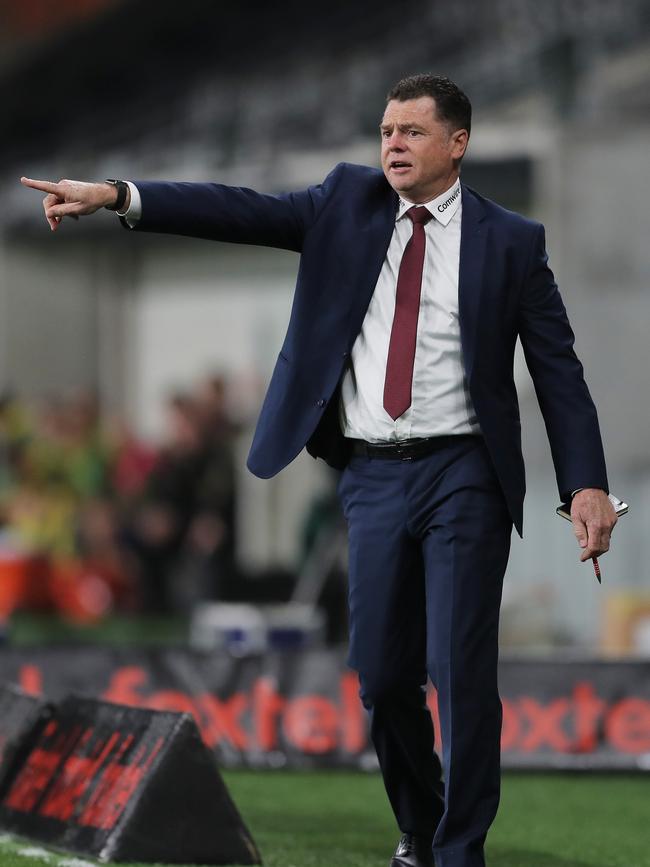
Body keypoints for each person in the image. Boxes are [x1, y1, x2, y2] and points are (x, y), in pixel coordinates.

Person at [21, 73, 617, 867]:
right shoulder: (345, 202)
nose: (393, 144)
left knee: (459, 668)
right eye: (386, 131)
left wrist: (584, 483)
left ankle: (460, 850)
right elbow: (236, 208)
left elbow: (559, 372)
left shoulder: (512, 241)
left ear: (458, 144)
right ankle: (423, 821)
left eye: (411, 130)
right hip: (371, 475)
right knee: (379, 674)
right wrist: (118, 195)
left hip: (464, 473)